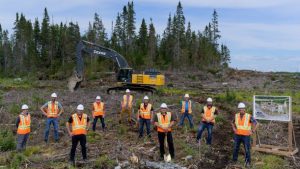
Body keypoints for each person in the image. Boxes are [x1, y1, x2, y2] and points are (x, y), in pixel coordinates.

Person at [231, 102, 258, 167]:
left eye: (242, 109)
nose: (241, 110)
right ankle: (234, 160)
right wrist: (234, 128)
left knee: (247, 149)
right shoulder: (236, 115)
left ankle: (248, 162)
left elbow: (256, 123)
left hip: (246, 136)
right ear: (238, 109)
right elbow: (232, 122)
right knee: (235, 148)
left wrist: (253, 130)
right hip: (237, 135)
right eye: (240, 109)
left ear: (244, 109)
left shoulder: (249, 116)